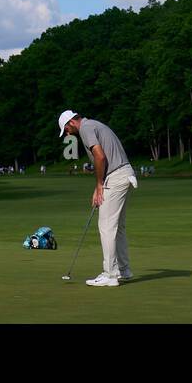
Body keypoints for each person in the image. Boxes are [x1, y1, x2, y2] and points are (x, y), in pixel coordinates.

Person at [58, 110, 137, 286]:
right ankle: (124, 270)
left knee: (107, 226)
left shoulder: (85, 128)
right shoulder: (95, 124)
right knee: (117, 227)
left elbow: (100, 157)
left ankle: (110, 275)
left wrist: (99, 185)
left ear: (71, 122)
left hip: (115, 177)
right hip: (126, 174)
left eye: (66, 130)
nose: (68, 134)